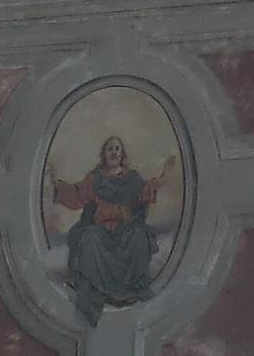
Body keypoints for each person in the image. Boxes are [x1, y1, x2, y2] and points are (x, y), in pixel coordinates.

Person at [49, 134, 178, 321]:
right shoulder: (94, 179)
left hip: (125, 230)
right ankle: (95, 290)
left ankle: (133, 287)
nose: (114, 152)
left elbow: (147, 189)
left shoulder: (132, 178)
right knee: (88, 238)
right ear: (104, 154)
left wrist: (165, 173)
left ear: (122, 153)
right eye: (110, 148)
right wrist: (56, 183)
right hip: (100, 231)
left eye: (117, 148)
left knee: (139, 236)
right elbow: (76, 195)